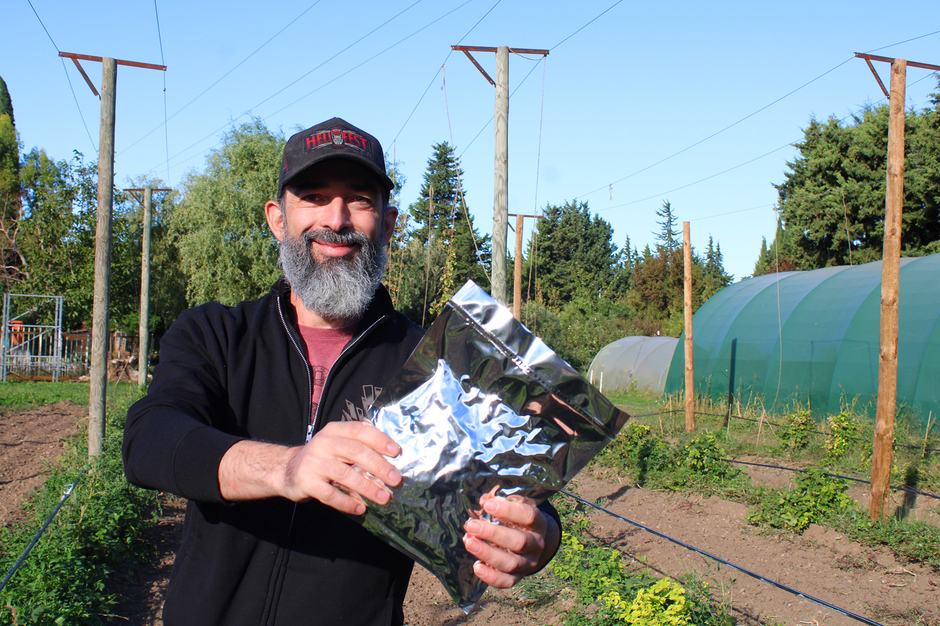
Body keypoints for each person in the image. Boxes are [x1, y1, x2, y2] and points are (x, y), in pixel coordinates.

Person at [122, 117, 561, 626]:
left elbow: (512, 481)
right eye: (312, 196)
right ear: (278, 218)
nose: (337, 217)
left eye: (360, 199)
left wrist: (539, 536)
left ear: (389, 222)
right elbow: (150, 439)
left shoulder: (434, 366)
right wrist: (287, 468)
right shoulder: (216, 334)